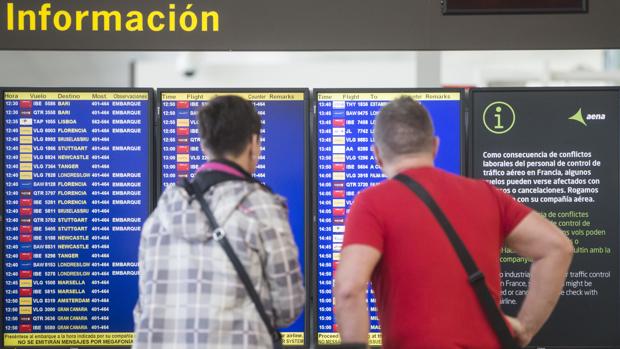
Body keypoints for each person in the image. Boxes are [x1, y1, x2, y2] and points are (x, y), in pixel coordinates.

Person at [334, 97, 573, 348]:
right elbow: (557, 247)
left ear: (377, 154)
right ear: (435, 146)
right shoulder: (486, 194)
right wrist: (526, 328)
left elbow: (349, 288)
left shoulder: (372, 203)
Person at [132, 95, 305, 349]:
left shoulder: (158, 217)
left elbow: (145, 308)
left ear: (204, 146)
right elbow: (288, 307)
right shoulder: (261, 208)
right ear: (254, 143)